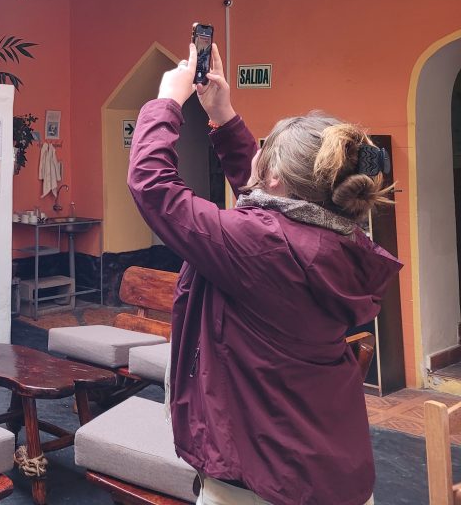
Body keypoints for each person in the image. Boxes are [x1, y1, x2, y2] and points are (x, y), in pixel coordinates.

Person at [127, 41, 402, 505]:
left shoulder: (261, 244)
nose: (255, 155)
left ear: (274, 177)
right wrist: (222, 114)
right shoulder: (335, 239)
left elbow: (153, 188)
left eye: (264, 151)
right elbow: (265, 202)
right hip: (331, 467)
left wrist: (167, 102)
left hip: (262, 481)